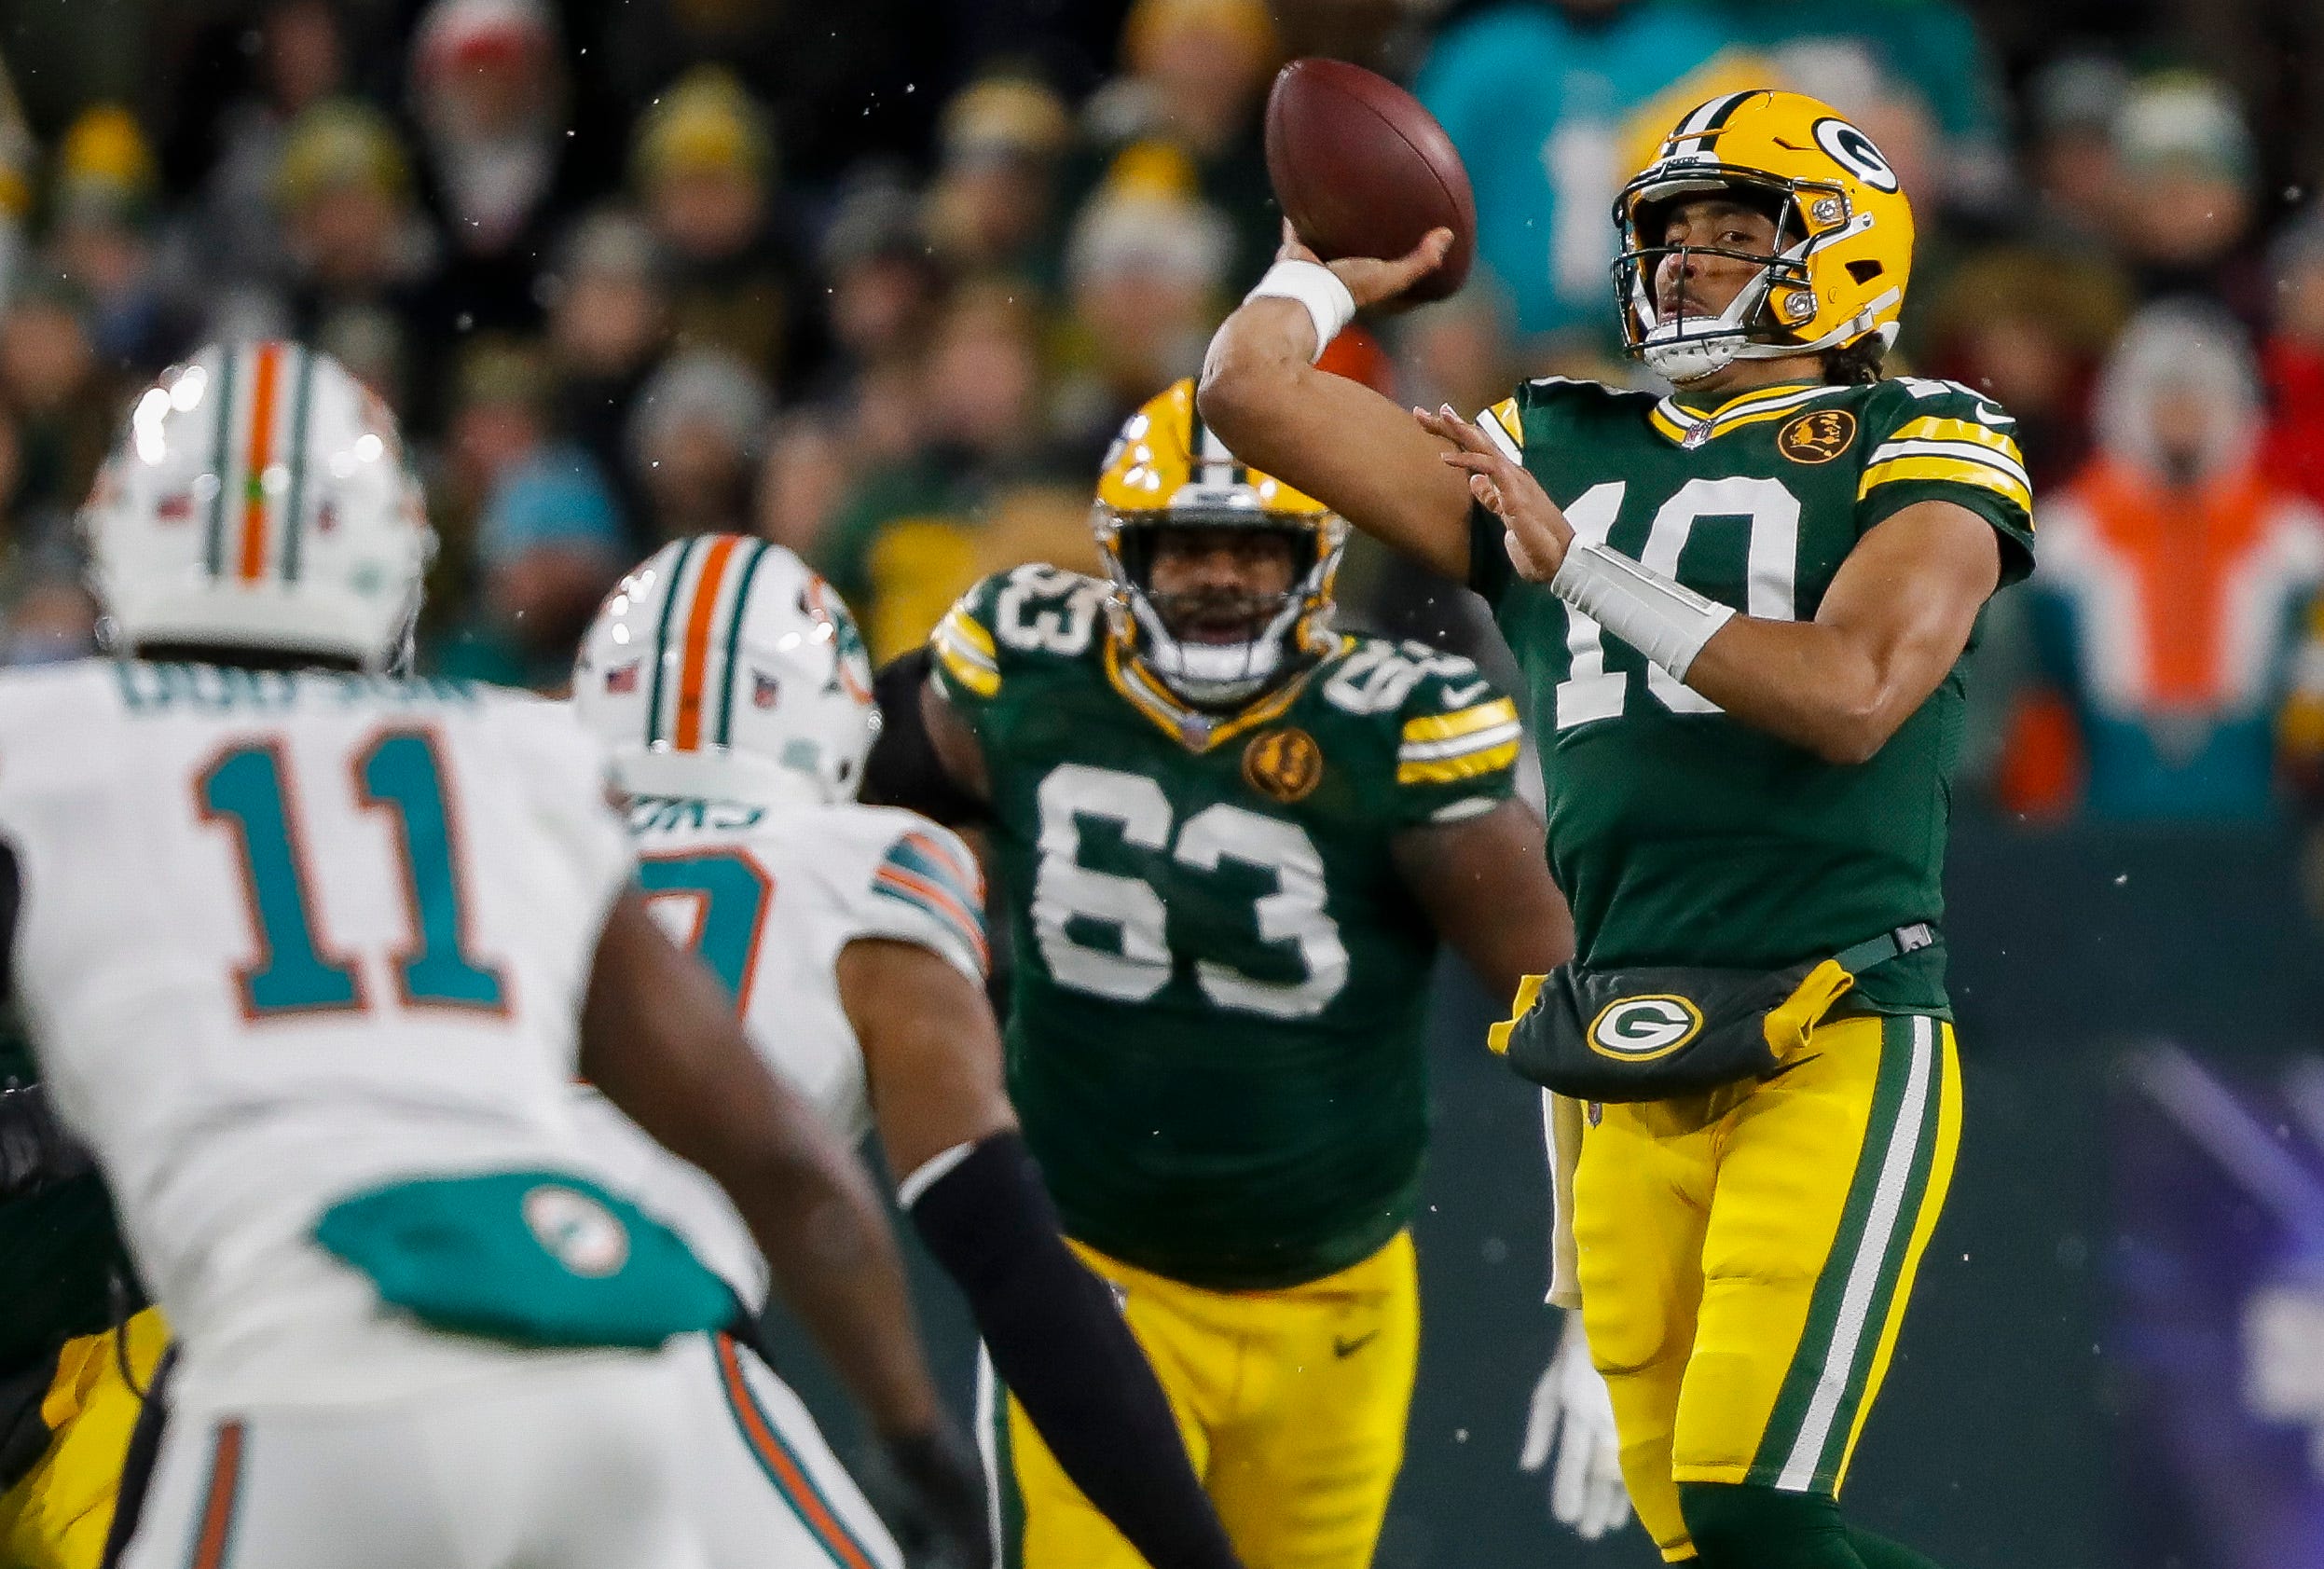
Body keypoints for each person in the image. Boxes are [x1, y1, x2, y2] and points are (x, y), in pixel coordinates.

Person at [1200, 89, 2035, 1569]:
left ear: (1843, 254)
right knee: (1701, 1548)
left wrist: (1581, 566)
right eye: (1670, 234)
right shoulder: (1554, 438)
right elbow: (1252, 398)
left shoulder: (1926, 432)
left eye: (1732, 234)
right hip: (1621, 1037)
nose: (1686, 266)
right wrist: (1327, 269)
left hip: (1835, 1011)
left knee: (1752, 1507)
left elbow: (1850, 694)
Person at [0, 341, 986, 1569]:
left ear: (120, 547)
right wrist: (910, 1429)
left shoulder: (49, 744)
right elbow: (779, 1155)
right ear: (397, 559)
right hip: (609, 1354)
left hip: (313, 1366)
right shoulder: (515, 754)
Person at [862, 378, 1623, 1567]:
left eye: (1253, 552)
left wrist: (1601, 1304)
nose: (1219, 579)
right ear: (1123, 554)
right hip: (1092, 1286)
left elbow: (1578, 1023)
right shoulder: (1025, 665)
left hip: (1332, 1306)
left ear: (1313, 560)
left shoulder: (1396, 730)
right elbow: (874, 791)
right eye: (1185, 549)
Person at [569, 535, 1250, 1569]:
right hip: (645, 1352)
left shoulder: (499, 822)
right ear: (834, 713)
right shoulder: (867, 864)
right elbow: (997, 1241)